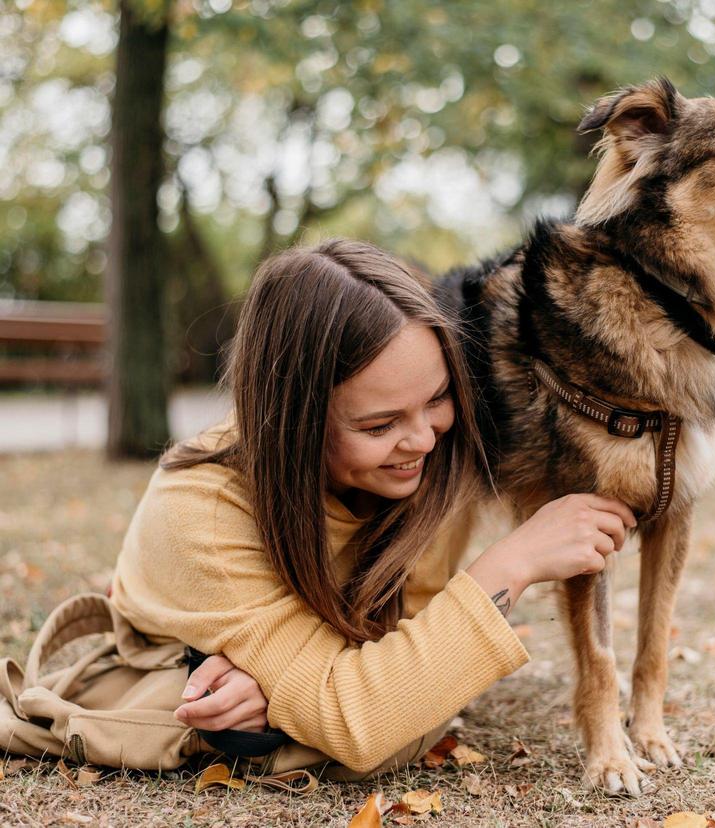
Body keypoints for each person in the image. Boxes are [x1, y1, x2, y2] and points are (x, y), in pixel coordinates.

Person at [110, 238, 635, 778]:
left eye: (437, 399)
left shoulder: (415, 466)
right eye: (379, 425)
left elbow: (414, 666)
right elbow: (362, 723)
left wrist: (294, 685)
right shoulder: (202, 511)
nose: (422, 441)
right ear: (296, 419)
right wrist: (513, 564)